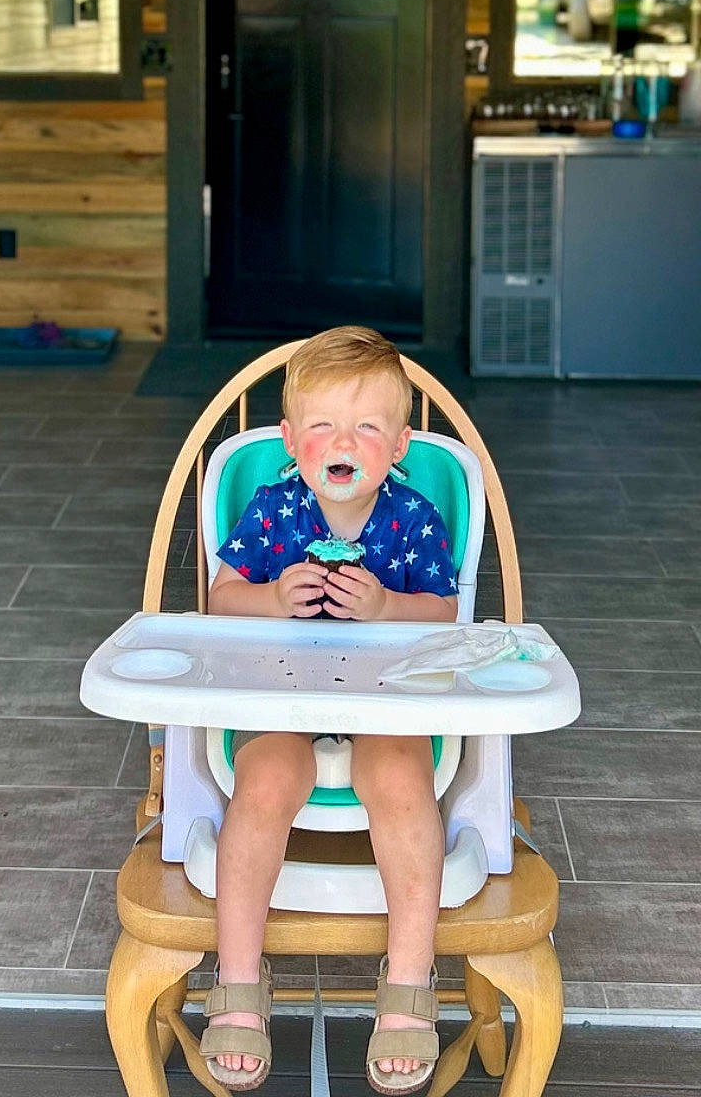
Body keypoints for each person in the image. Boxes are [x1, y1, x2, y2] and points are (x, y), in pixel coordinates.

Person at [201, 326, 460, 1095]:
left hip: (387, 698)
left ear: (400, 444)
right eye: (321, 426)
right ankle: (239, 981)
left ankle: (409, 983)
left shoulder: (411, 517)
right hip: (280, 693)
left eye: (368, 427)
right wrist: (273, 597)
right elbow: (220, 600)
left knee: (398, 777)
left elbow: (444, 615)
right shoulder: (273, 508)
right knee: (268, 777)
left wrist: (384, 606)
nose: (342, 442)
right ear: (289, 440)